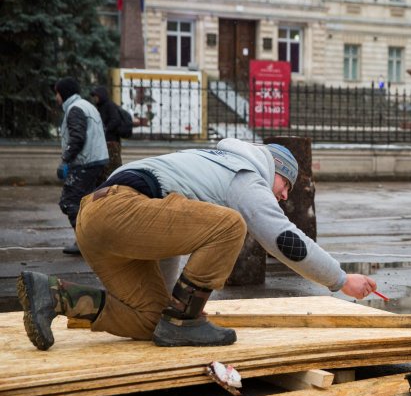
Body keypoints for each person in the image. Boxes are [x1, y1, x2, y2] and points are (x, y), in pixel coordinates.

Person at [17, 139, 377, 350]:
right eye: (286, 188)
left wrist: (175, 304)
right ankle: (184, 322)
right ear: (276, 169)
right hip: (120, 209)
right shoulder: (247, 176)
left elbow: (166, 240)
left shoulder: (208, 165)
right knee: (231, 225)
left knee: (151, 321)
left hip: (96, 217)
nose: (283, 198)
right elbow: (282, 238)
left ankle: (54, 295)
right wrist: (341, 279)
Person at [53, 77, 109, 256]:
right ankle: (96, 240)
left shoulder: (75, 108)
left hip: (86, 162)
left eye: (57, 93)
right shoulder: (86, 105)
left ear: (63, 93)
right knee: (88, 203)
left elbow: (77, 138)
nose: (56, 98)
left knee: (69, 202)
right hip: (97, 160)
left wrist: (66, 160)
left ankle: (85, 242)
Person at [90, 86, 123, 186]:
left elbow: (115, 120)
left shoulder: (109, 105)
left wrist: (105, 130)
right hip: (104, 143)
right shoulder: (101, 106)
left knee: (112, 169)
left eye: (96, 96)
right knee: (103, 171)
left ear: (101, 95)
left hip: (111, 143)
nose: (95, 98)